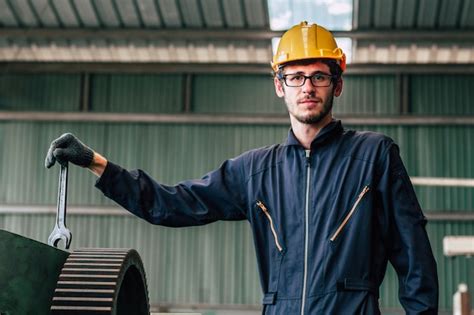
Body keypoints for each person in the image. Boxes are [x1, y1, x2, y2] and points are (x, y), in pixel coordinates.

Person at [45, 21, 438, 314]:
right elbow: (173, 203)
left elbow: (413, 256)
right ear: (279, 85)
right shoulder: (256, 172)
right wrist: (97, 164)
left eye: (319, 76)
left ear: (337, 84)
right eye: (296, 76)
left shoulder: (374, 157)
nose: (307, 87)